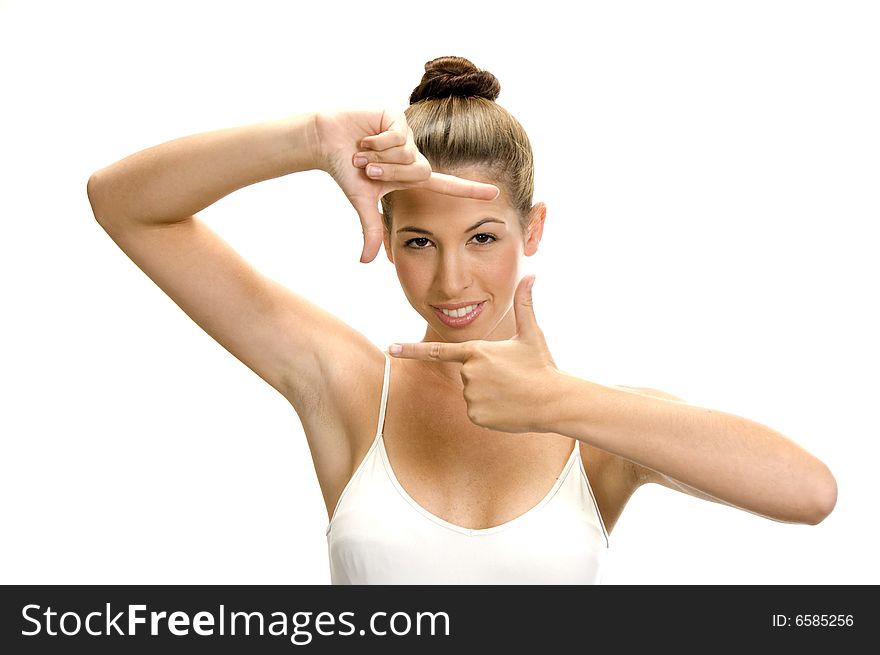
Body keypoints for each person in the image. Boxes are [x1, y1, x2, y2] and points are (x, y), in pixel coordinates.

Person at [87, 55, 837, 584]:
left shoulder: (602, 429)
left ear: (531, 229)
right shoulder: (347, 385)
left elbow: (809, 494)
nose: (450, 280)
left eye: (483, 238)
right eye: (419, 242)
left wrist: (557, 401)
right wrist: (311, 139)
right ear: (383, 235)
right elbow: (124, 205)